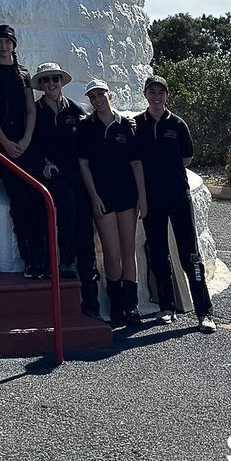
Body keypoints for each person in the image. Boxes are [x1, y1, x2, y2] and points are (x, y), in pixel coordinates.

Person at [136, 73, 216, 332]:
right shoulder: (138, 125)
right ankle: (166, 307)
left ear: (167, 96)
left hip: (178, 196)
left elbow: (186, 158)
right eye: (152, 91)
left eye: (161, 92)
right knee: (159, 253)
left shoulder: (178, 124)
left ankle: (204, 312)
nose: (156, 96)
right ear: (145, 94)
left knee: (190, 254)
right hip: (152, 199)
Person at [77, 78, 146, 328]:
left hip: (126, 196)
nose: (97, 100)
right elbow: (83, 164)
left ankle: (131, 304)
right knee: (112, 253)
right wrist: (94, 196)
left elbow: (136, 163)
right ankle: (116, 302)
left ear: (110, 95)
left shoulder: (126, 125)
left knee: (128, 251)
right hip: (103, 197)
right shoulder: (87, 127)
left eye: (100, 95)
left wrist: (142, 197)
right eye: (92, 97)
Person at [31, 60, 99, 313]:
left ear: (61, 82)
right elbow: (32, 143)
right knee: (66, 201)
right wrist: (44, 163)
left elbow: (89, 136)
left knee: (85, 226)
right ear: (40, 85)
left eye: (55, 79)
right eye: (46, 79)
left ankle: (90, 299)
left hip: (76, 174)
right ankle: (65, 259)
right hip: (50, 175)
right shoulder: (35, 111)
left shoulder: (75, 110)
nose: (51, 83)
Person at [0, 25, 42, 278]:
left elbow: (31, 109)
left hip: (26, 144)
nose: (4, 46)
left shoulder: (23, 73)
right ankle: (29, 258)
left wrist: (27, 138)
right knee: (18, 202)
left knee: (35, 200)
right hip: (4, 145)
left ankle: (43, 258)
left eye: (8, 41)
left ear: (14, 45)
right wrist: (5, 142)